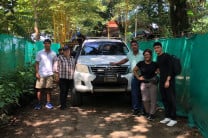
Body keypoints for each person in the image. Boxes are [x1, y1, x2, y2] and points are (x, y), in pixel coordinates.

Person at [110, 40, 144, 116]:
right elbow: (125, 60)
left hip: (143, 76)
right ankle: (135, 109)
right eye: (132, 45)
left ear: (138, 46)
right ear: (131, 47)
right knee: (134, 93)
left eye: (135, 45)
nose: (134, 46)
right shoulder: (129, 54)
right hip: (134, 76)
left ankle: (142, 109)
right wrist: (116, 63)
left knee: (142, 93)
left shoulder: (143, 54)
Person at [153, 42, 177, 126]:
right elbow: (161, 68)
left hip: (169, 80)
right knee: (164, 99)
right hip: (162, 80)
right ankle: (167, 116)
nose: (156, 49)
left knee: (171, 99)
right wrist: (158, 70)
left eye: (158, 47)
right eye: (155, 48)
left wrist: (168, 80)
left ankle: (173, 118)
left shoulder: (167, 56)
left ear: (161, 47)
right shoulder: (158, 57)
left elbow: (171, 69)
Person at [133, 49, 159, 121]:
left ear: (151, 55)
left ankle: (152, 114)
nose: (146, 56)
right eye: (145, 55)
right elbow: (134, 70)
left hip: (152, 83)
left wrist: (157, 72)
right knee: (145, 100)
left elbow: (158, 71)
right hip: (144, 83)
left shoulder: (155, 64)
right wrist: (138, 77)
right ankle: (147, 113)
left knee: (153, 99)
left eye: (148, 54)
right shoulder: (141, 63)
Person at [34, 39, 57, 110]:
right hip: (41, 74)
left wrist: (55, 73)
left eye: (48, 43)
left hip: (50, 74)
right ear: (43, 44)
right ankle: (38, 104)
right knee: (39, 89)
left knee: (48, 89)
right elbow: (37, 63)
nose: (46, 44)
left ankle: (48, 103)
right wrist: (37, 72)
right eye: (45, 43)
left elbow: (55, 63)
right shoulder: (39, 53)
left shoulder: (54, 53)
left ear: (50, 44)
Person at [55, 46, 75, 110]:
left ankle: (65, 103)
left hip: (71, 78)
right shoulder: (60, 58)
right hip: (62, 78)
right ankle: (62, 105)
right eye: (65, 51)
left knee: (67, 92)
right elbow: (56, 68)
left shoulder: (73, 58)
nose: (67, 52)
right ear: (63, 52)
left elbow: (74, 68)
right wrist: (57, 76)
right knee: (63, 91)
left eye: (68, 50)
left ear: (70, 51)